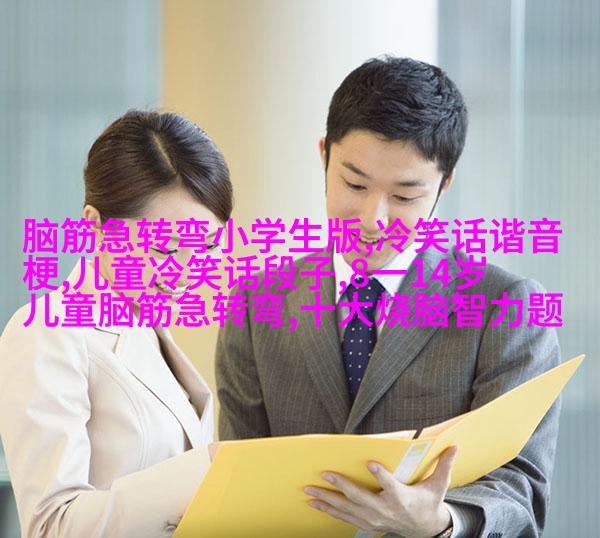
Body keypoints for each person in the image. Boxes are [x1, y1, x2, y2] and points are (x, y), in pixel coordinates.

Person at [216, 57, 561, 537]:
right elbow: (237, 482)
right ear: (324, 156)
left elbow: (521, 489)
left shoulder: (505, 307)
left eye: (404, 197)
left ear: (444, 184)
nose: (372, 218)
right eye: (354, 184)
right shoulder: (257, 303)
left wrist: (440, 521)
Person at [0, 110, 232, 537]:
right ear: (95, 225)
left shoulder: (146, 322)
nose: (186, 271)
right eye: (165, 248)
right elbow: (52, 526)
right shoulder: (46, 331)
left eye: (206, 248)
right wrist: (203, 472)